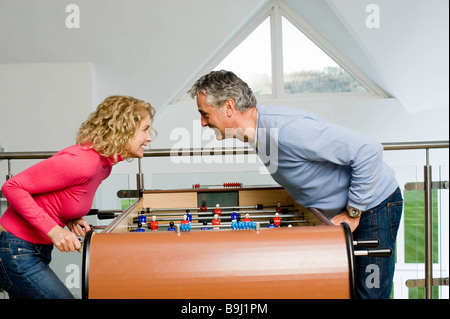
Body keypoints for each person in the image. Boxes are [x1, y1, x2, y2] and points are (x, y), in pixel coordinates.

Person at [188, 70, 403, 299]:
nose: (202, 122)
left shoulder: (287, 130)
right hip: (340, 213)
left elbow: (368, 150)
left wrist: (353, 212)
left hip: (374, 205)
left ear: (229, 107)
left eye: (204, 113)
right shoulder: (255, 131)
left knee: (369, 295)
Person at [0, 95, 155, 299]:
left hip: (33, 249)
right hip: (15, 249)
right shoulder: (83, 162)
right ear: (123, 129)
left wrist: (70, 216)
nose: (149, 138)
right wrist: (54, 230)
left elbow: (57, 194)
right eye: (145, 130)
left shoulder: (104, 165)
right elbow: (12, 186)